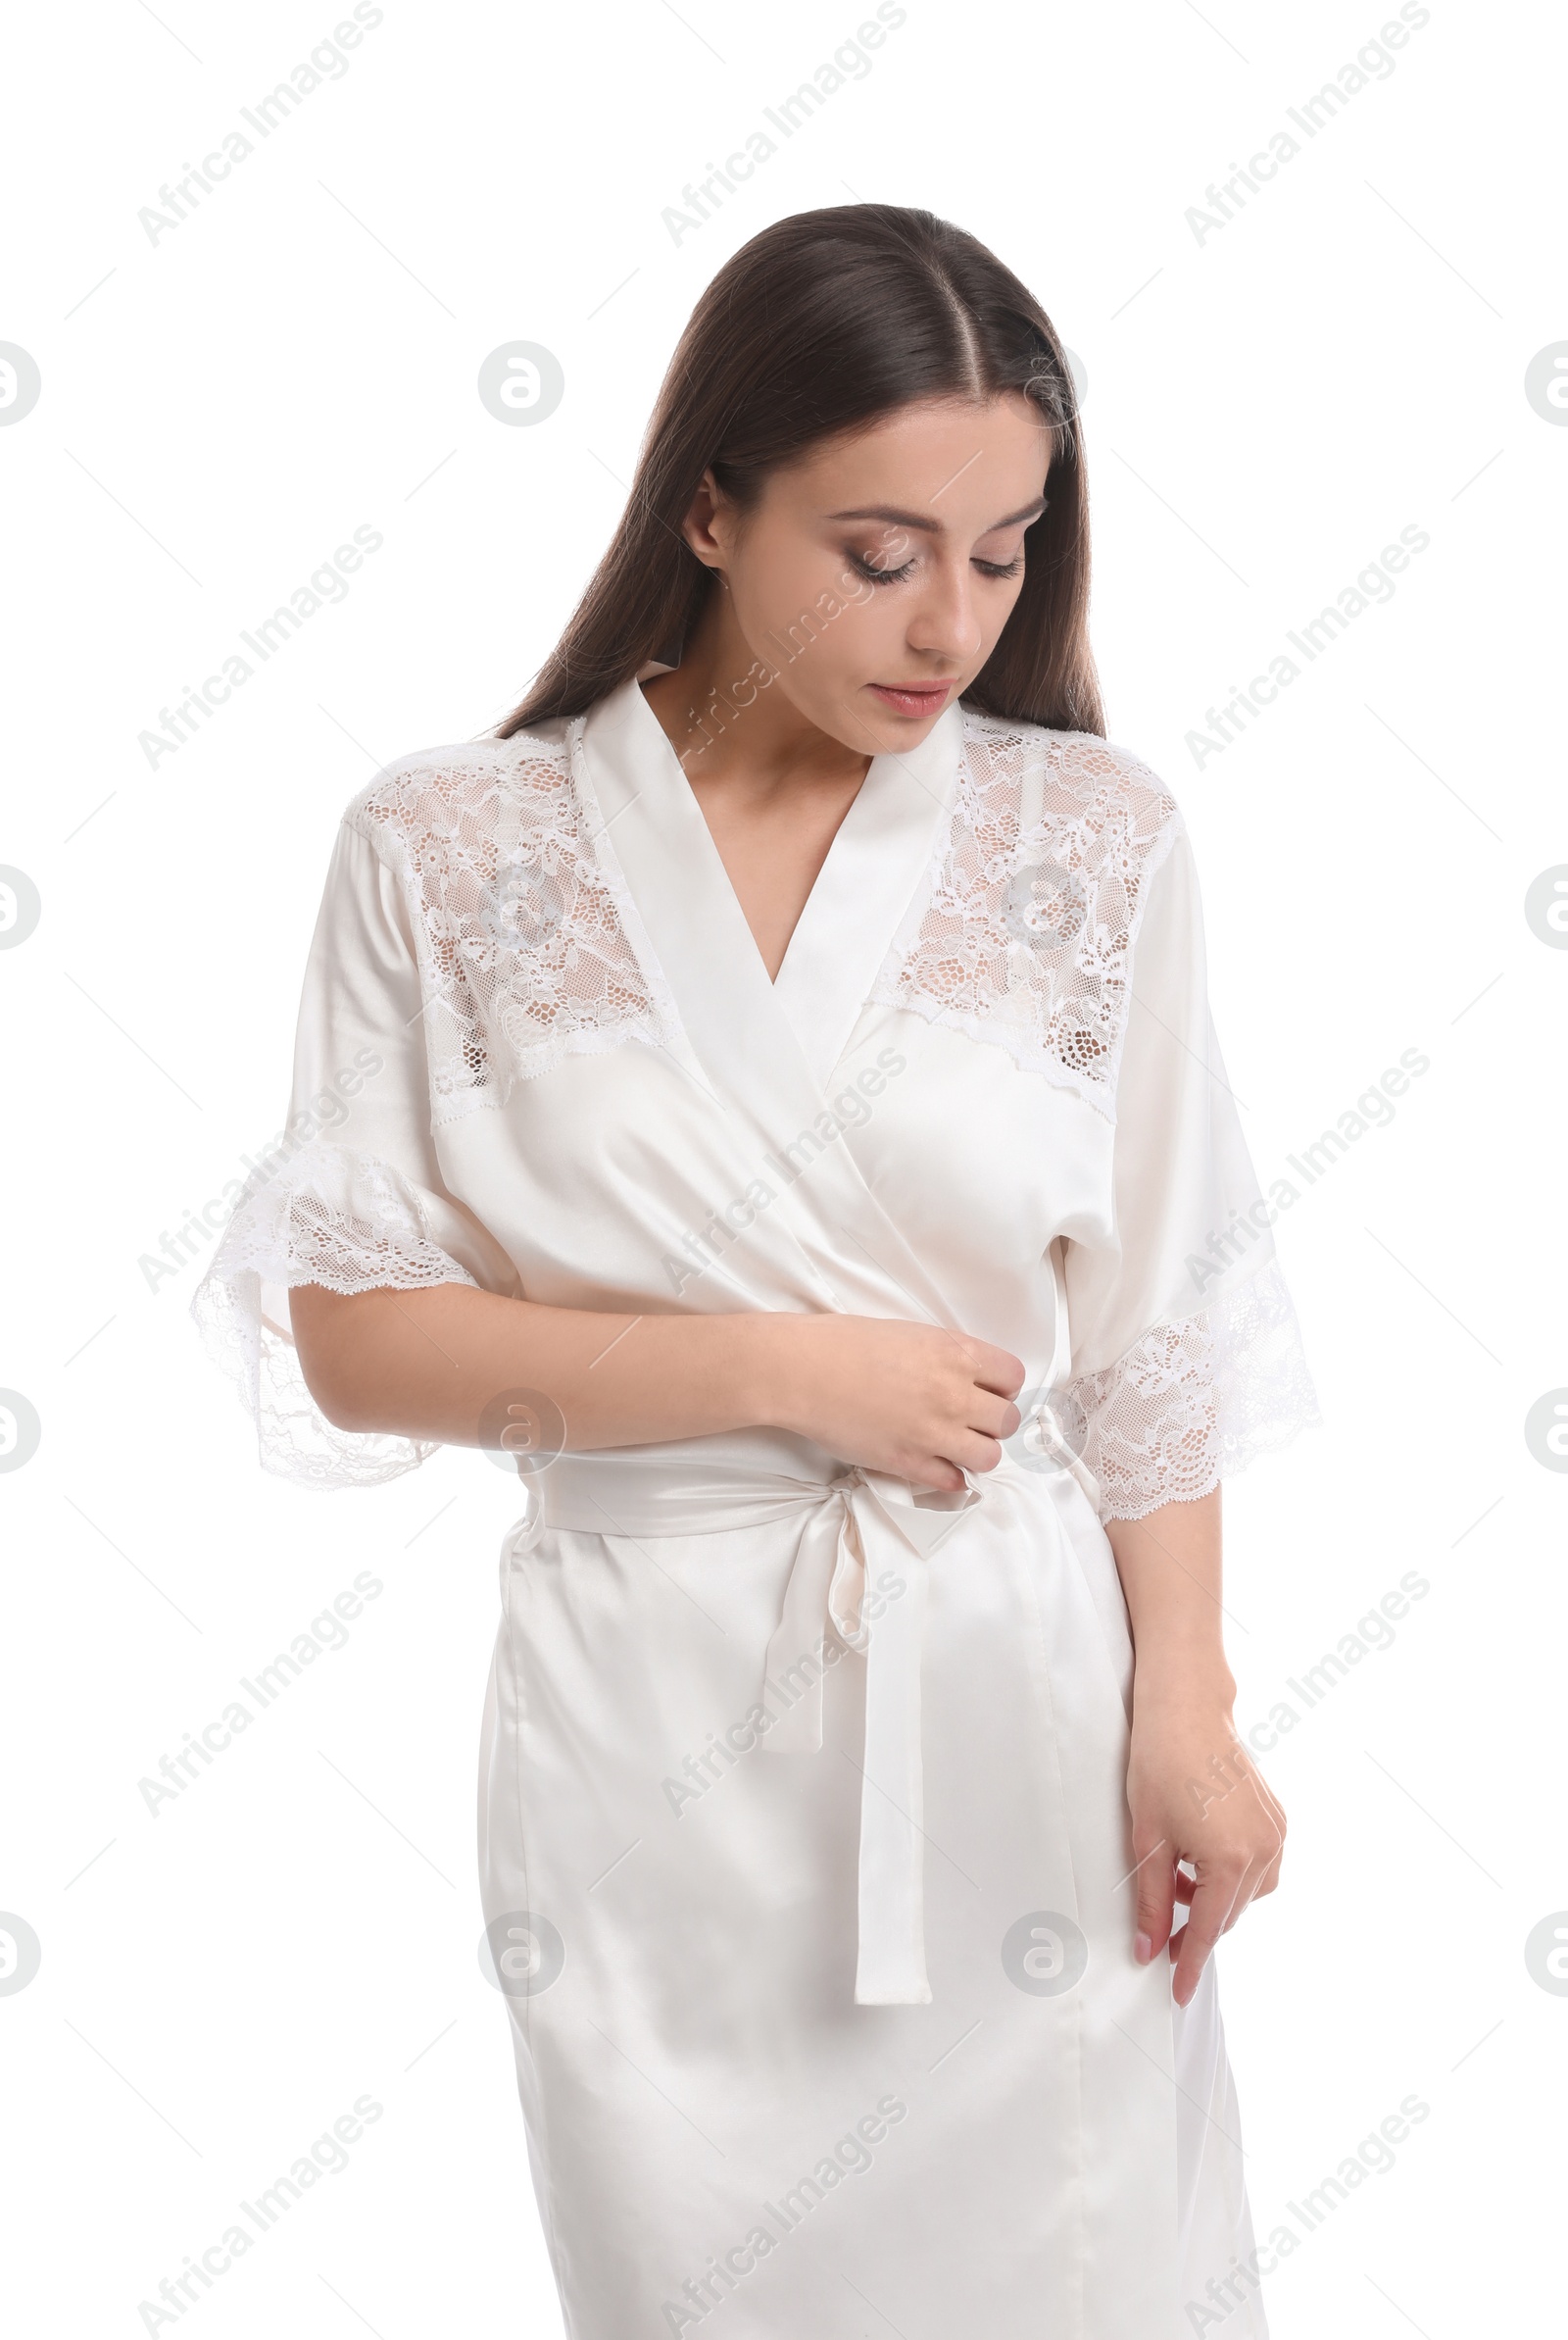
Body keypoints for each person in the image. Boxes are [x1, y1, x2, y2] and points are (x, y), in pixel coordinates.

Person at [195, 203, 1318, 2339]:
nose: (950, 622)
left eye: (1000, 554)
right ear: (706, 505)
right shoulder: (449, 848)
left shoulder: (1092, 842)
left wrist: (1186, 1707)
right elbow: (353, 1335)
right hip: (649, 1733)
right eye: (879, 551)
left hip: (1016, 1721)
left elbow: (1155, 1334)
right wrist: (779, 1372)